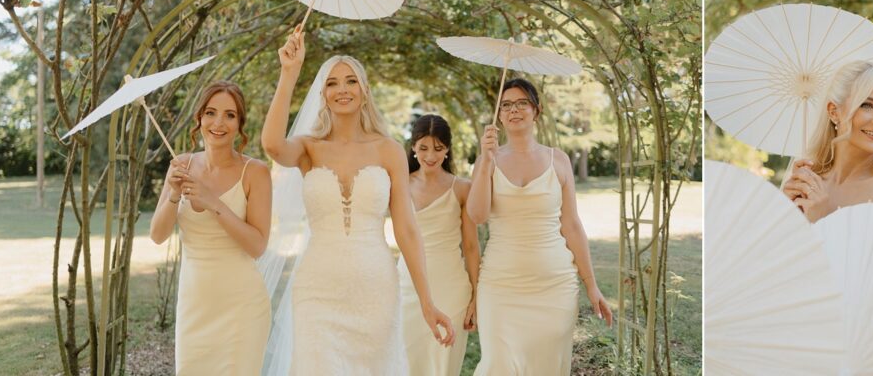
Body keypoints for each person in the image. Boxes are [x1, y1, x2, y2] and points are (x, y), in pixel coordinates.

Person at [260, 29, 454, 374]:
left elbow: (407, 230)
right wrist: (289, 73)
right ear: (323, 94)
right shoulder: (308, 148)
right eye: (332, 83)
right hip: (317, 290)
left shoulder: (388, 150)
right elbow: (273, 145)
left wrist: (427, 302)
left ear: (364, 91)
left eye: (351, 81)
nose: (342, 89)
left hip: (375, 289)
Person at [468, 78, 613, 375]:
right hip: (500, 286)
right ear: (499, 115)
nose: (514, 110)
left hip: (554, 286)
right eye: (506, 105)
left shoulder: (558, 160)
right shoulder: (487, 161)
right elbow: (477, 215)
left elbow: (572, 225)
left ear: (536, 110)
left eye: (522, 103)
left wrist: (591, 284)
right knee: (498, 365)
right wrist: (485, 162)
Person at [148, 81, 272, 375]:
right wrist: (174, 194)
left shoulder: (255, 172)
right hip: (195, 304)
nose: (219, 123)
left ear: (240, 123)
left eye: (230, 115)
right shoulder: (180, 165)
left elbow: (257, 246)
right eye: (211, 113)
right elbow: (157, 235)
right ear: (199, 118)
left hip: (242, 308)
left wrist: (213, 202)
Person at [398, 114, 479, 375]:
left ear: (447, 149)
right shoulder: (399, 185)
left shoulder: (462, 188)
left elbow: (471, 247)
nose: (430, 155)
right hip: (407, 286)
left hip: (451, 289)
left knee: (442, 365)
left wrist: (476, 296)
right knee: (405, 362)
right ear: (413, 147)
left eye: (438, 148)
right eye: (423, 148)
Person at [782, 61, 873, 222]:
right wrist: (787, 213)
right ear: (834, 112)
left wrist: (819, 221)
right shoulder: (808, 187)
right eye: (867, 105)